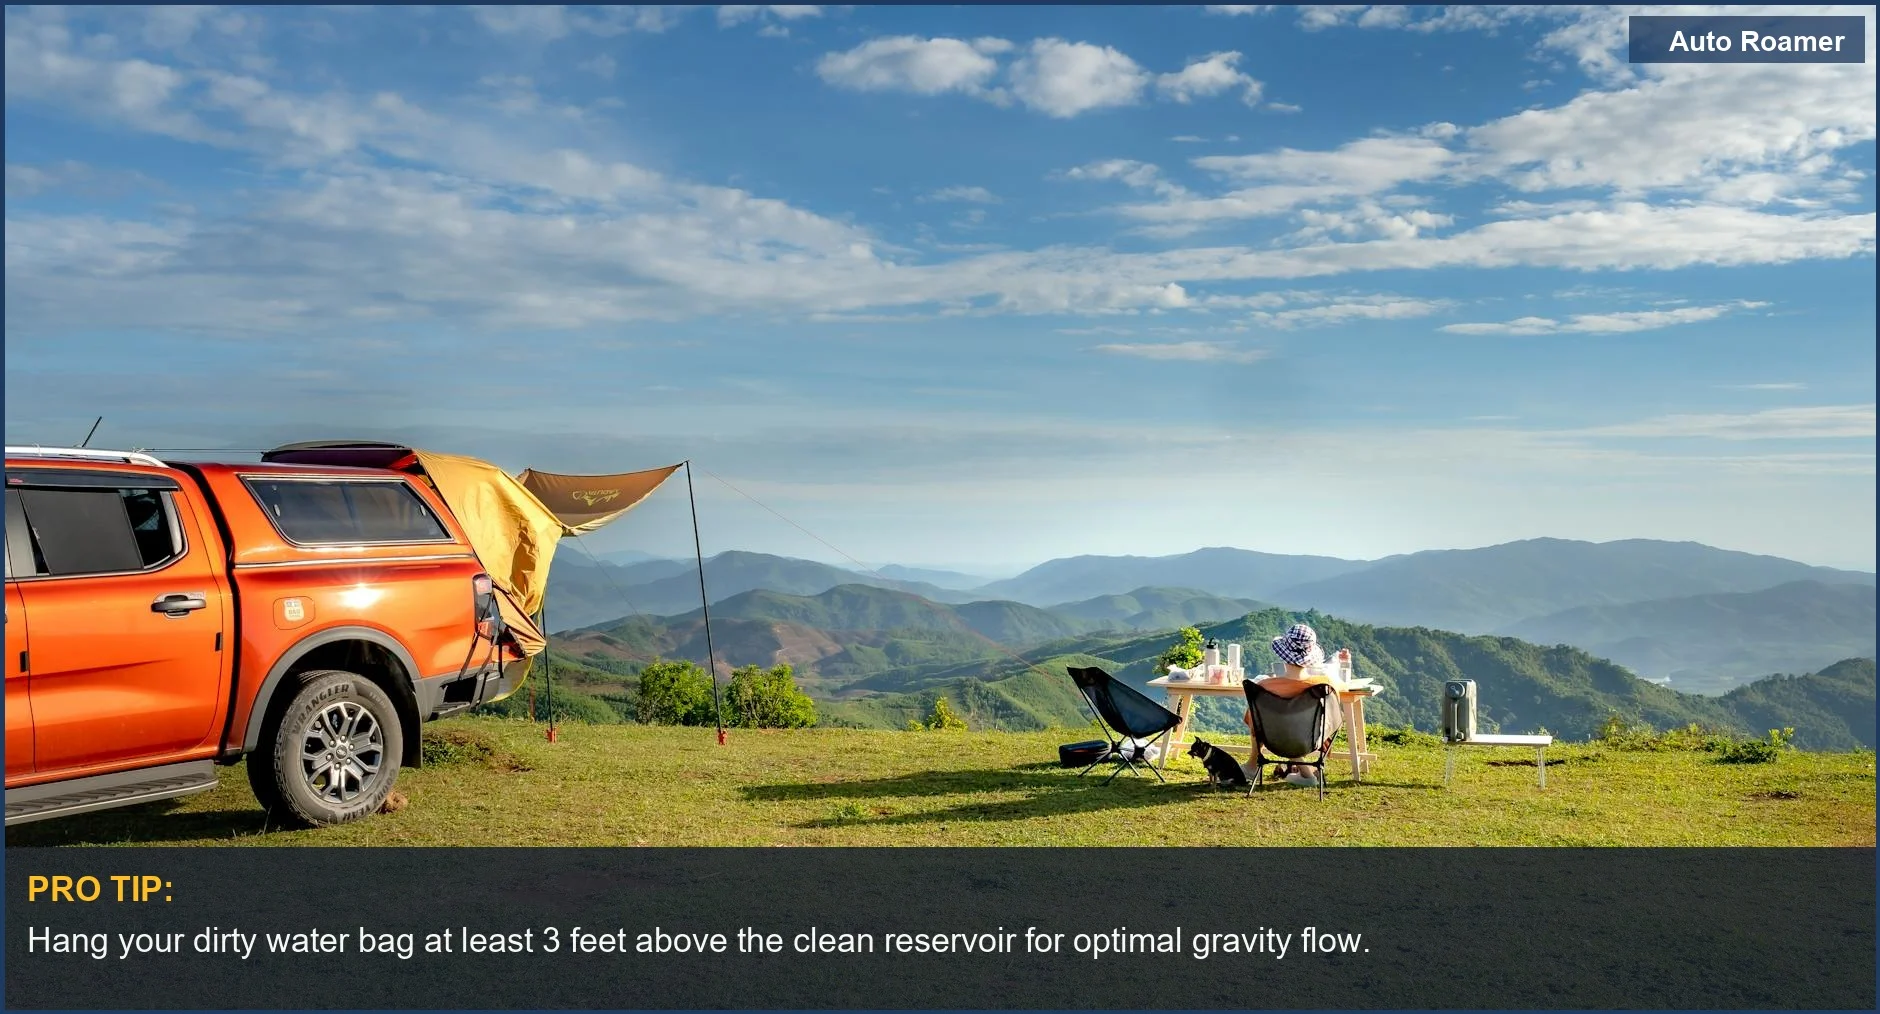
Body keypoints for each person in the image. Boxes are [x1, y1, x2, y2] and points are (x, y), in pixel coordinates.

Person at [1243, 623, 1343, 786]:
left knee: (1270, 726)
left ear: (1283, 656)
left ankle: (1252, 766)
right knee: (1294, 729)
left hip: (1274, 739)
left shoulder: (1264, 686)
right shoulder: (1323, 685)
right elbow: (1335, 719)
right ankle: (1307, 774)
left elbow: (1254, 724)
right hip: (1310, 741)